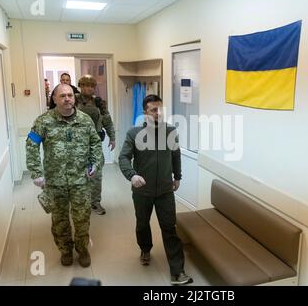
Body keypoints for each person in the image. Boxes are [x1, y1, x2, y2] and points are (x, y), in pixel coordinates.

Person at [118, 94, 193, 286]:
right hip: (142, 190)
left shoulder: (170, 132)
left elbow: (175, 155)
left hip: (165, 191)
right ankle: (145, 248)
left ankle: (177, 272)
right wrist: (132, 175)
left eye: (160, 109)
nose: (158, 113)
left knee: (169, 228)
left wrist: (177, 177)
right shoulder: (134, 134)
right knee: (142, 224)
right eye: (153, 109)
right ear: (145, 112)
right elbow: (123, 158)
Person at [26, 84, 103, 267]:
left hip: (81, 180)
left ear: (74, 98)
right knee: (59, 221)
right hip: (55, 181)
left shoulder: (85, 120)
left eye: (70, 95)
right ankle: (66, 250)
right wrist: (36, 172)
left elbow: (95, 144)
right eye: (62, 96)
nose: (67, 99)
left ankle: (82, 250)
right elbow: (31, 145)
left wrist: (95, 163)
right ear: (55, 99)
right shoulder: (43, 121)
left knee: (82, 219)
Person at [75, 75, 116, 215]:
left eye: (92, 86)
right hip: (76, 145)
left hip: (95, 144)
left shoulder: (99, 103)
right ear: (81, 86)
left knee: (96, 175)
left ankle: (95, 202)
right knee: (78, 175)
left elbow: (108, 121)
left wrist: (113, 137)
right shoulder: (73, 100)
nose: (89, 88)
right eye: (86, 85)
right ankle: (78, 203)